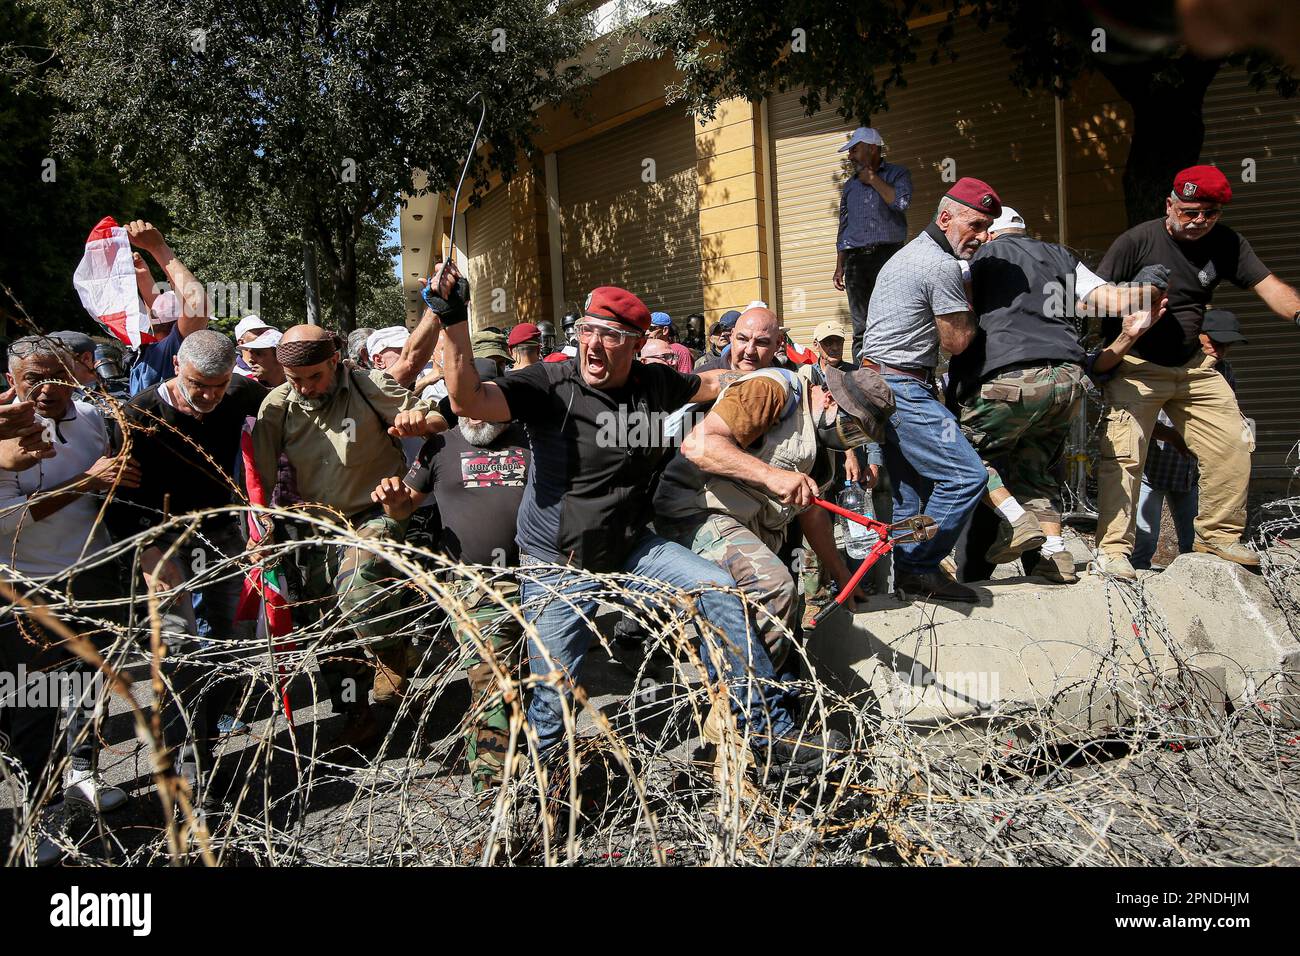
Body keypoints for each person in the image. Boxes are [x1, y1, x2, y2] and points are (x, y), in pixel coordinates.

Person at [413, 265, 846, 777]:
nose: (593, 347)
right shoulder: (551, 384)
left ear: (638, 344)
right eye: (586, 333)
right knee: (554, 694)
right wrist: (453, 318)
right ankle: (541, 798)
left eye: (611, 337)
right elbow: (468, 399)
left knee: (718, 588)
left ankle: (764, 731)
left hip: (631, 546)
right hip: (557, 563)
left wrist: (786, 378)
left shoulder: (654, 382)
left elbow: (708, 382)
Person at [1092, 165, 1300, 576]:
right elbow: (1090, 299)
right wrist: (1134, 303)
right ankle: (1113, 550)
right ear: (1169, 204)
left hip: (1193, 366)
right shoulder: (1137, 241)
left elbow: (1269, 286)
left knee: (1233, 443)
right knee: (1125, 454)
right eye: (1189, 211)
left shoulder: (1226, 243)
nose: (1199, 221)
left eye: (1209, 212)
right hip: (1136, 366)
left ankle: (1217, 537)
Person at [250, 325, 447, 747]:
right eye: (293, 379)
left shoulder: (365, 385)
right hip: (318, 524)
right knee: (331, 630)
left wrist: (417, 421)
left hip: (377, 511)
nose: (304, 388)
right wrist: (261, 528)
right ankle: (355, 712)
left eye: (314, 377)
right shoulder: (276, 407)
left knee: (357, 589)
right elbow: (260, 482)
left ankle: (392, 651)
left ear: (334, 362)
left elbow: (434, 418)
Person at [950, 205, 1168, 584]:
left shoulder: (976, 257)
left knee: (959, 455)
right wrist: (1152, 290)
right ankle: (1055, 555)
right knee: (1036, 473)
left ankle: (1017, 523)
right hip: (1068, 381)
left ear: (989, 232)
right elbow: (1113, 301)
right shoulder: (1060, 256)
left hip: (1010, 378)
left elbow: (955, 309)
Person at [106, 330, 267, 807]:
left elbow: (280, 408)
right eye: (199, 385)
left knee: (225, 639)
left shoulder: (239, 393)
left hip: (219, 532)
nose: (209, 397)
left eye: (218, 386)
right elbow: (117, 497)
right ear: (177, 365)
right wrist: (149, 555)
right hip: (158, 536)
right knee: (177, 646)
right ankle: (183, 760)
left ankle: (207, 739)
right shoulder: (139, 415)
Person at [654, 357, 887, 681]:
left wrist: (842, 575)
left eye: (859, 438)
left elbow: (813, 513)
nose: (849, 441)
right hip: (696, 510)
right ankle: (745, 704)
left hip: (743, 525)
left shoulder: (821, 445)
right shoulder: (771, 391)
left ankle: (754, 696)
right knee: (772, 587)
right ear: (831, 398)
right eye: (850, 428)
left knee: (776, 614)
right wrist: (772, 476)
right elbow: (699, 446)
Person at [1, 336, 138, 862]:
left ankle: (84, 772)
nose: (48, 387)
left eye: (59, 373)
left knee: (87, 683)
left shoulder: (88, 418)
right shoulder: (5, 434)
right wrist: (87, 482)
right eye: (34, 377)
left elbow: (102, 482)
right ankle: (37, 818)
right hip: (26, 586)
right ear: (12, 378)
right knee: (32, 707)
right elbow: (6, 521)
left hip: (91, 573)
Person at [369, 361, 530, 793]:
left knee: (531, 679)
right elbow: (407, 504)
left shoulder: (533, 439)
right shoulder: (439, 446)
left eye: (480, 402)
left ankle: (530, 764)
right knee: (493, 679)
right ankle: (493, 792)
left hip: (539, 578)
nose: (473, 415)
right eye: (462, 405)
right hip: (474, 583)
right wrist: (395, 502)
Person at [861, 177, 1003, 603]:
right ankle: (919, 568)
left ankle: (907, 577)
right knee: (965, 476)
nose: (982, 236)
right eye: (975, 224)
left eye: (988, 227)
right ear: (945, 217)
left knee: (909, 496)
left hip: (877, 384)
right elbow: (956, 341)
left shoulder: (907, 256)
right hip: (903, 387)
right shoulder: (939, 265)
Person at [1132, 309, 1247, 570]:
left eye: (1227, 345)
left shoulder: (1224, 373)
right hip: (1155, 469)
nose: (1221, 350)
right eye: (1216, 342)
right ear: (1199, 336)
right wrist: (1172, 436)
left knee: (1196, 547)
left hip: (1191, 474)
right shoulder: (1169, 365)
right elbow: (1140, 418)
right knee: (1142, 547)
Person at [833, 127, 912, 357]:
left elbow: (902, 204)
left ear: (872, 148)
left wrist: (873, 179)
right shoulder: (850, 185)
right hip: (856, 262)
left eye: (854, 150)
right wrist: (840, 264)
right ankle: (862, 382)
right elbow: (844, 227)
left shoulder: (898, 174)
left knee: (893, 318)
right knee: (861, 328)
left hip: (889, 256)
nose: (850, 156)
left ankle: (893, 374)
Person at [125, 221, 210, 396]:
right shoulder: (175, 351)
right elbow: (197, 304)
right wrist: (158, 247)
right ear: (180, 323)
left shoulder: (147, 354)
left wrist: (142, 277)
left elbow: (158, 314)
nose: (205, 325)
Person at [234, 315, 285, 387]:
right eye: (259, 332)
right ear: (241, 342)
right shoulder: (233, 377)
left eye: (266, 331)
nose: (264, 335)